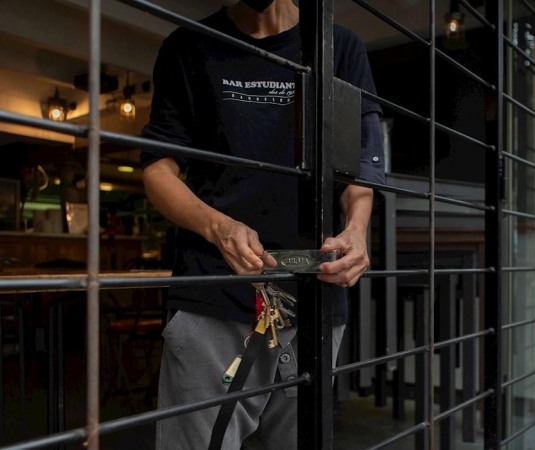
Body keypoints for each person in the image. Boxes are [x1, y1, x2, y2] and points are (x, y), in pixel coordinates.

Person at [139, 0, 384, 448]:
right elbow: (157, 169)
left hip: (313, 294)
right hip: (214, 295)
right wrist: (219, 227)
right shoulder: (189, 46)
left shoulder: (339, 46)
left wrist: (357, 229)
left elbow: (360, 163)